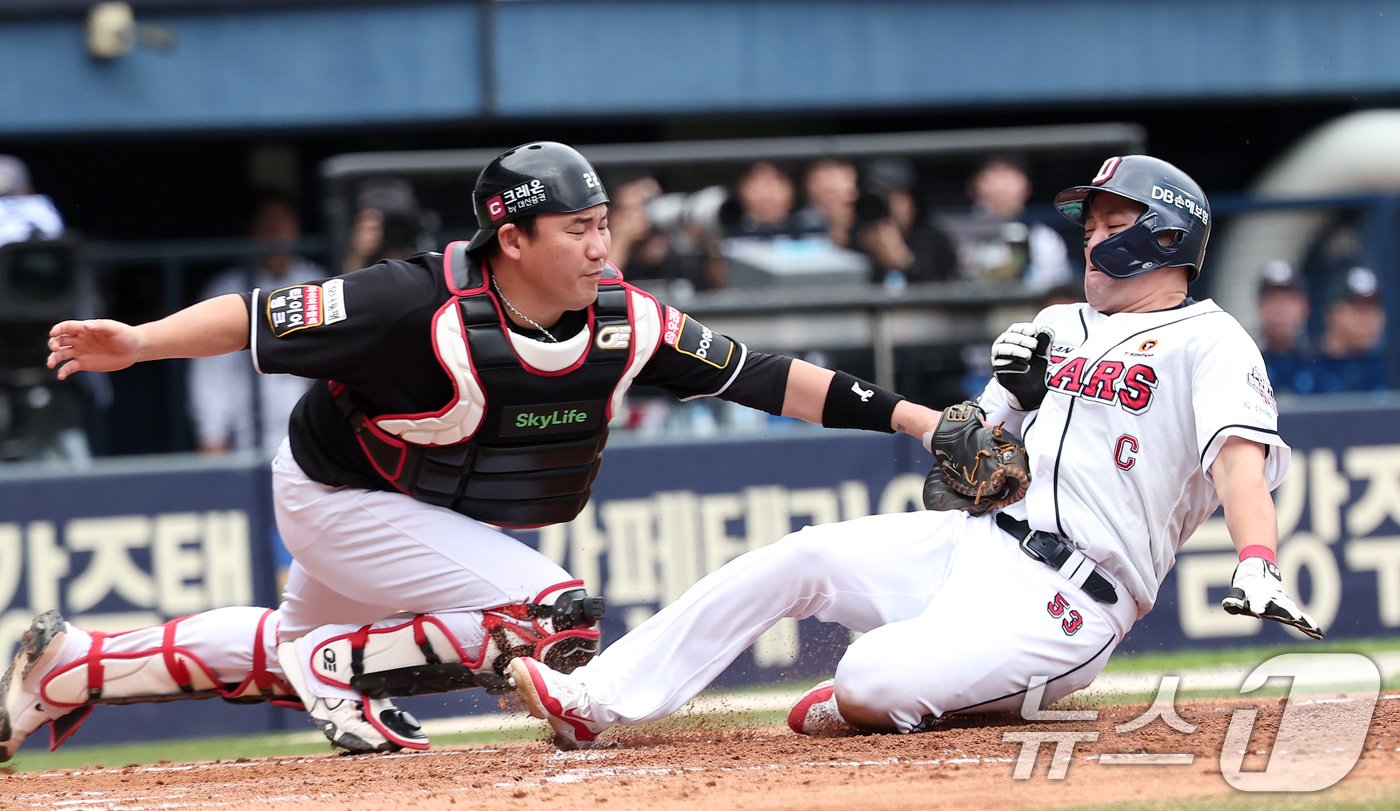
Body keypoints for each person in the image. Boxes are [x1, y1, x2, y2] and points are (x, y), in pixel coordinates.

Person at [4, 142, 943, 761]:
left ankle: (71, 666)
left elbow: (766, 376)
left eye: (604, 222)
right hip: (339, 492)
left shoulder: (629, 319)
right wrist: (137, 340)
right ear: (511, 237)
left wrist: (916, 419)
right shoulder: (407, 302)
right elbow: (251, 318)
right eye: (578, 228)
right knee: (552, 618)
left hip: (429, 508)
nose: (601, 245)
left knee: (297, 648)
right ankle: (341, 664)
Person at [508, 154, 1323, 750]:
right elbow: (971, 459)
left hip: (1071, 601)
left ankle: (920, 692)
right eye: (1091, 223)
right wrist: (1002, 403)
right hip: (974, 542)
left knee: (869, 680)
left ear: (1165, 236)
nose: (1091, 238)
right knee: (802, 555)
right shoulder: (1057, 324)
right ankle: (595, 698)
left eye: (1113, 223)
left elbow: (1237, 459)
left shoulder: (1213, 341)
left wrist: (1257, 556)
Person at [188, 191, 321, 455]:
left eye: (283, 221)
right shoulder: (226, 290)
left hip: (314, 436)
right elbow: (211, 374)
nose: (275, 232)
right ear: (252, 230)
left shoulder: (318, 281)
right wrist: (212, 435)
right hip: (250, 441)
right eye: (267, 222)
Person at [937, 155, 1074, 289]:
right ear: (974, 185)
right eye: (994, 174)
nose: (1002, 186)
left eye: (1010, 175)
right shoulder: (949, 232)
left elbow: (1052, 291)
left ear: (1026, 186)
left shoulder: (1042, 236)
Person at [1312, 265, 1388, 393]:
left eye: (1374, 309)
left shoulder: (1390, 370)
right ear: (1332, 313)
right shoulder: (1307, 367)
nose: (1369, 320)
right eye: (1360, 310)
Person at [341, 177, 436, 275]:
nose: (395, 232)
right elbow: (348, 285)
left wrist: (416, 251)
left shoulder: (417, 236)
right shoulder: (364, 248)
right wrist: (359, 255)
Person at [1254, 259, 1314, 394]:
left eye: (1288, 299)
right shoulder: (1243, 360)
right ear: (1259, 305)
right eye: (1272, 299)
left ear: (1304, 307)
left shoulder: (1317, 364)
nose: (1280, 309)